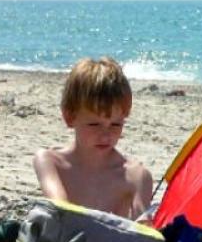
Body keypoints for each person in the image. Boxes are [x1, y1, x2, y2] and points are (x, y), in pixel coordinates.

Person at [32, 57, 154, 221]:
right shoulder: (50, 161)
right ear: (69, 117)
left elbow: (142, 235)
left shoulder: (136, 176)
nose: (106, 135)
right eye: (94, 124)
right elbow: (63, 213)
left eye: (116, 125)